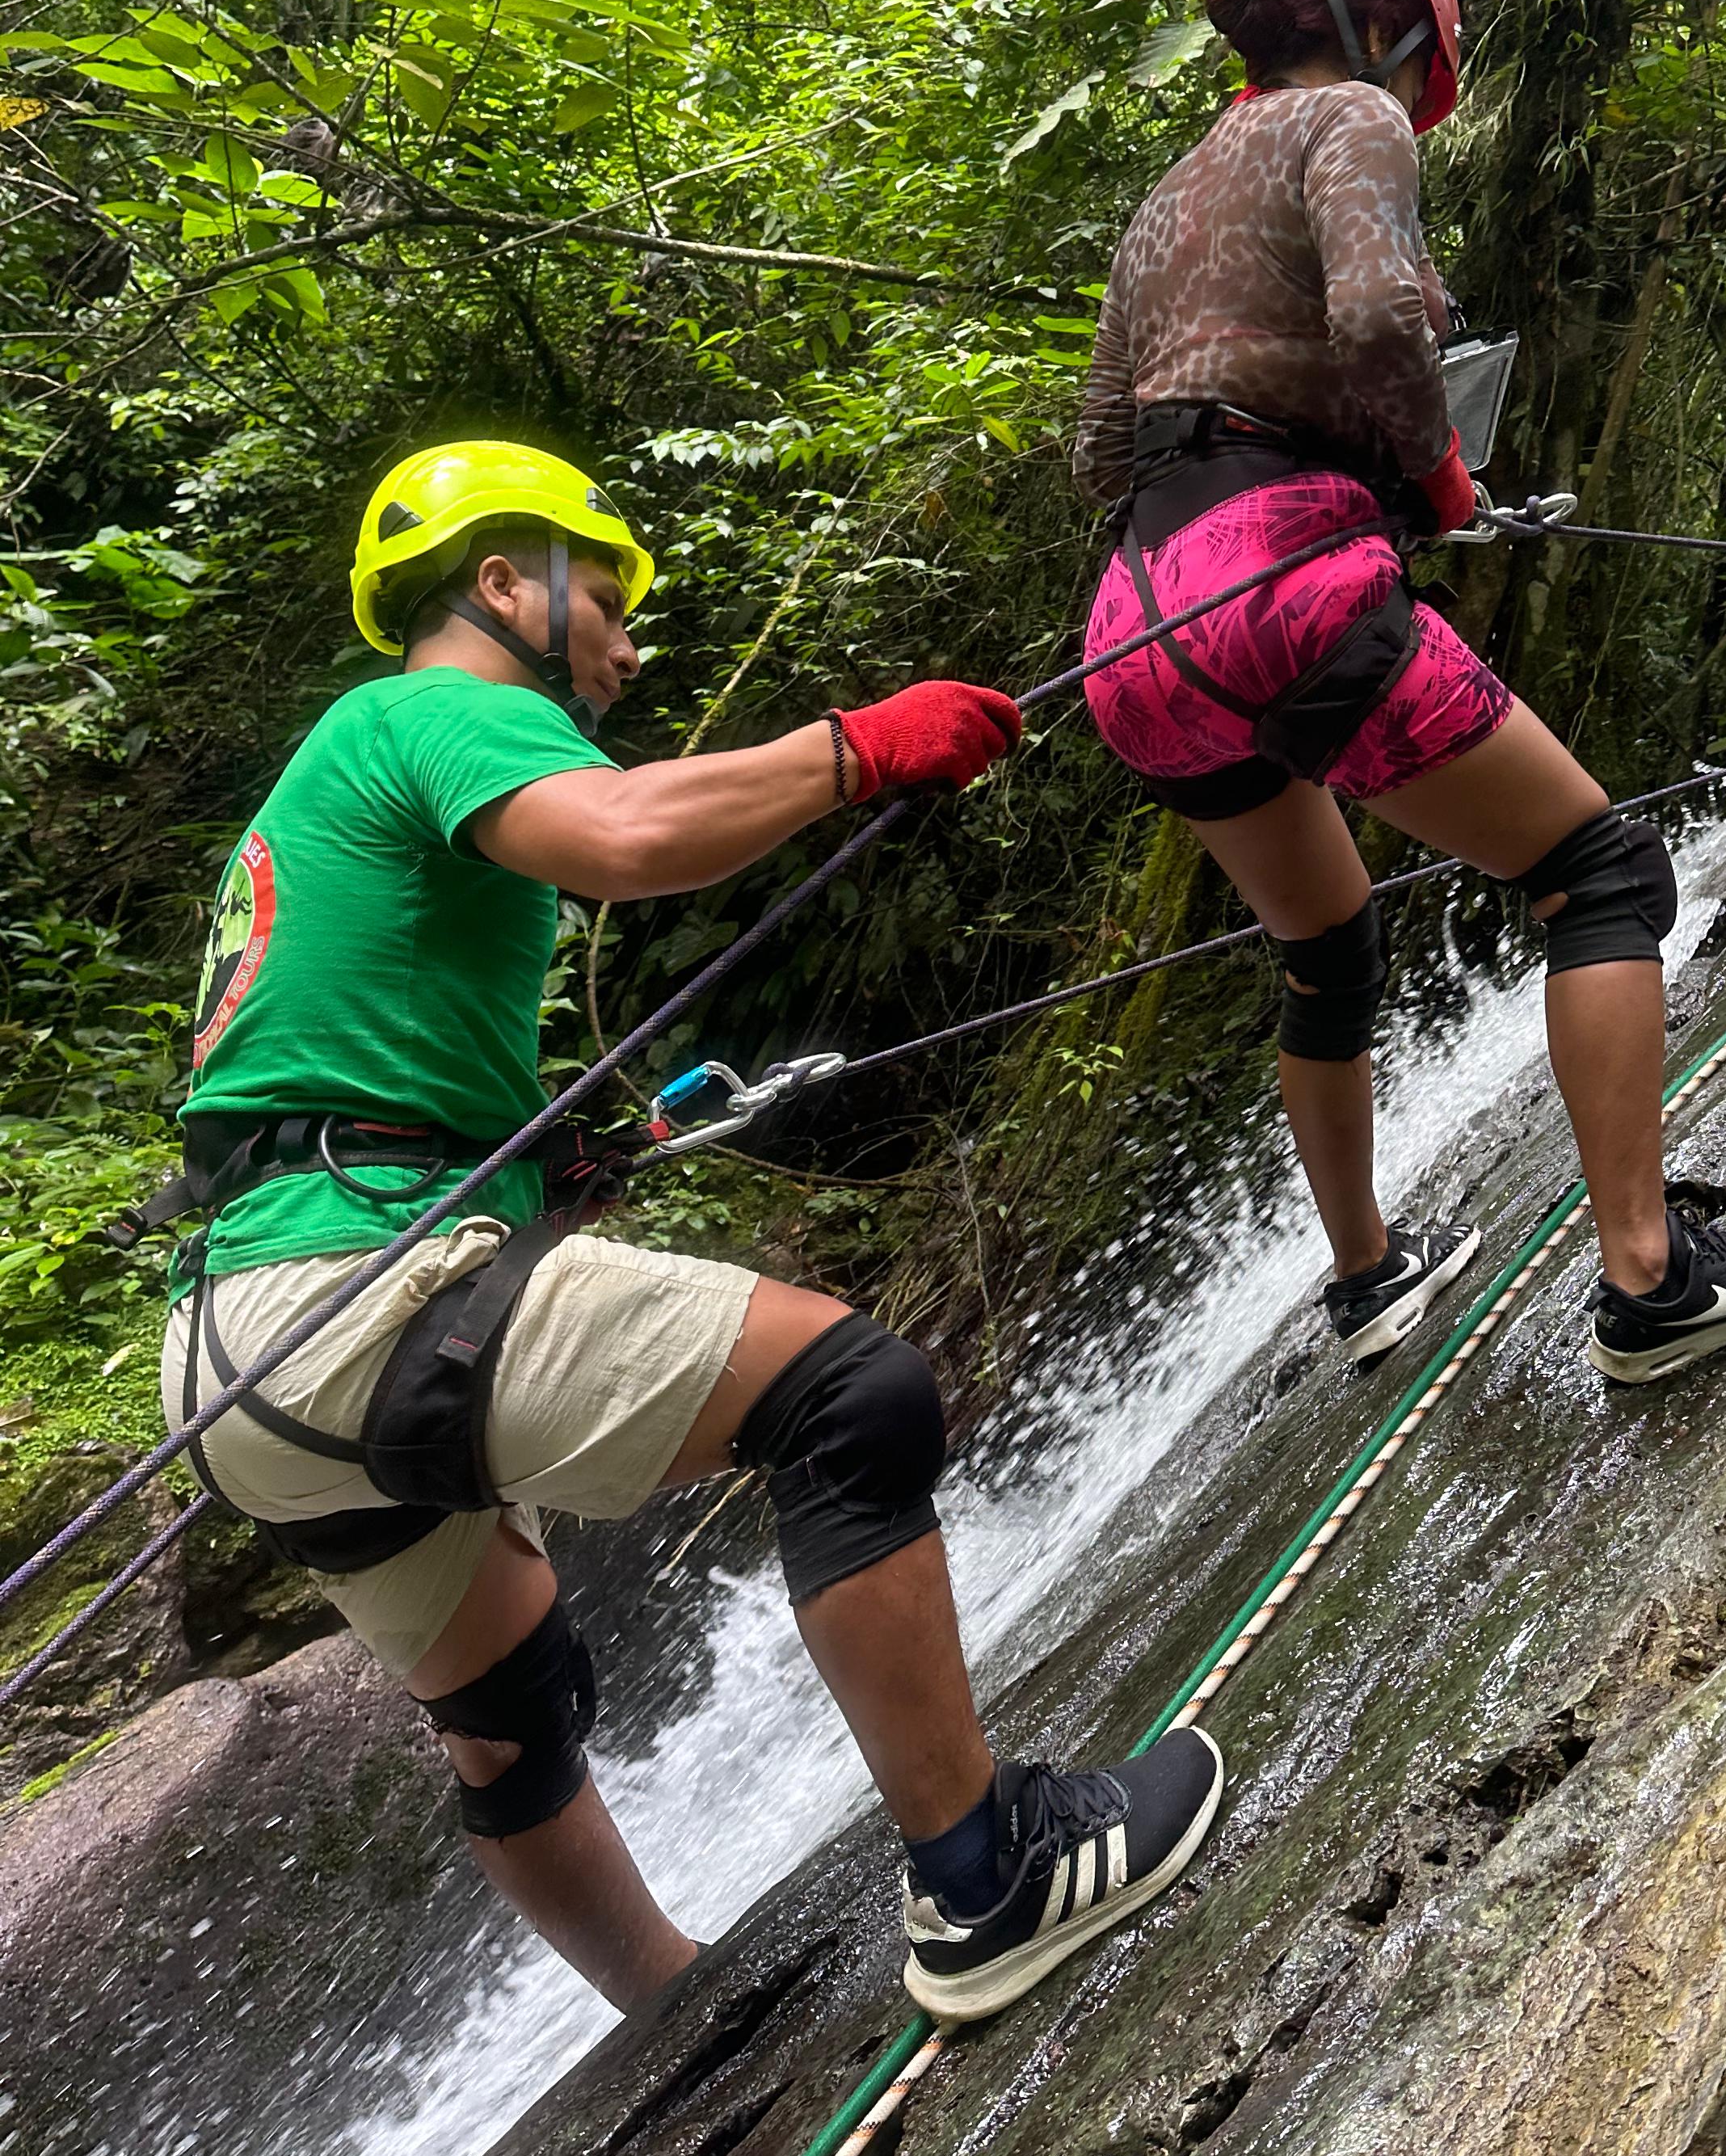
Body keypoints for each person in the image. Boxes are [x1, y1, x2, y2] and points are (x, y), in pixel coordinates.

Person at [158, 439, 1221, 2022]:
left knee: (507, 1711)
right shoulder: (436, 707)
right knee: (850, 1398)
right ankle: (987, 1878)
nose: (631, 646)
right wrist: (857, 748)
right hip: (357, 1289)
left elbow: (330, 1084)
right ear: (505, 580)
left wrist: (571, 1152)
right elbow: (636, 836)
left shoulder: (339, 788)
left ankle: (679, 2013)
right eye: (612, 599)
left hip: (234, 1356)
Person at [1072, 0, 1726, 1381]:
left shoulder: (1168, 199)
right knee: (1599, 870)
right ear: (1397, 30)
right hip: (1280, 576)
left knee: (1328, 940)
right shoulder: (1353, 117)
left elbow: (1101, 446)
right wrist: (1436, 483)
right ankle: (1652, 1279)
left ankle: (1367, 1279)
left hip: (1132, 627)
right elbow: (1376, 323)